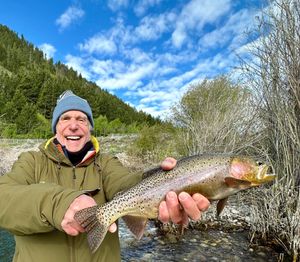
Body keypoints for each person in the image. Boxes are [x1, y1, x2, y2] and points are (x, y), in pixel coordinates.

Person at [0, 90, 210, 262]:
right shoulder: (31, 161)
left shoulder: (107, 163)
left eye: (82, 119)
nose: (74, 125)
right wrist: (56, 204)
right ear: (56, 128)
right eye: (65, 118)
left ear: (90, 128)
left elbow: (126, 183)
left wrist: (160, 179)